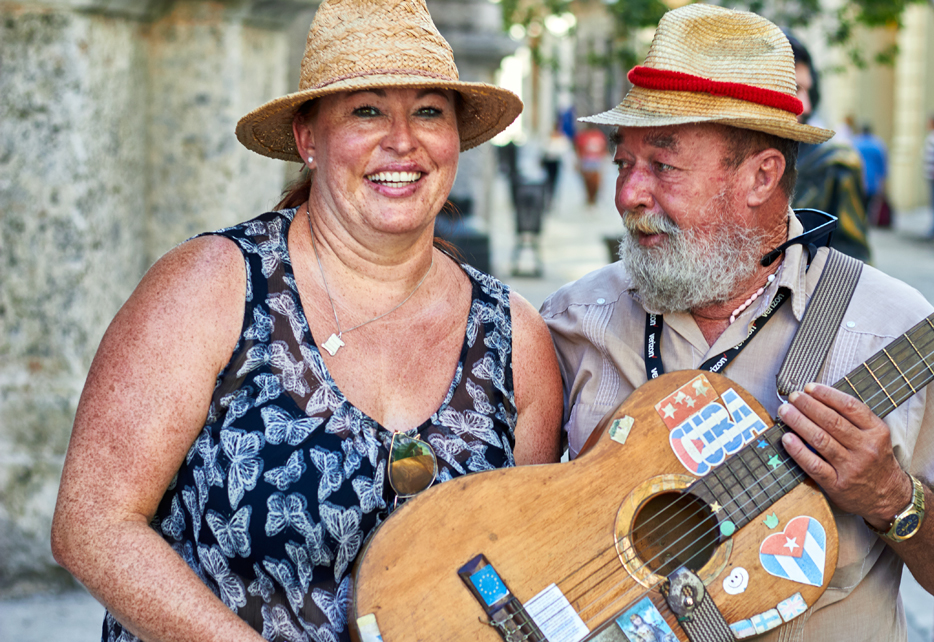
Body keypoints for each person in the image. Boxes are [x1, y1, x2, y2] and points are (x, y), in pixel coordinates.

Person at [49, 1, 563, 641]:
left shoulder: (512, 339)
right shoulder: (215, 287)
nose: (402, 140)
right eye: (366, 110)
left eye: (429, 111)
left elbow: (516, 570)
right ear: (307, 139)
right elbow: (92, 524)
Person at [541, 5, 934, 640]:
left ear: (761, 175)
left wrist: (892, 497)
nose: (628, 195)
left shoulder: (890, 325)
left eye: (661, 166)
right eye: (623, 164)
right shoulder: (575, 322)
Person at [786, 33, 873, 263]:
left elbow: (855, 261)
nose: (806, 106)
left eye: (807, 90)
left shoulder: (836, 165)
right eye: (795, 89)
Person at [852, 123, 890, 227]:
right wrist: (883, 183)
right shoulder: (878, 144)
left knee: (859, 203)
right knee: (869, 204)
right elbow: (883, 166)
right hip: (872, 181)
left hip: (859, 180)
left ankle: (860, 221)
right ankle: (866, 221)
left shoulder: (855, 143)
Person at [575, 124, 608, 207]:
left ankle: (593, 199)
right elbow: (579, 149)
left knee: (595, 182)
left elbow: (603, 148)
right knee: (588, 182)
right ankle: (590, 198)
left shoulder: (598, 135)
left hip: (595, 161)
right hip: (587, 161)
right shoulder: (585, 136)